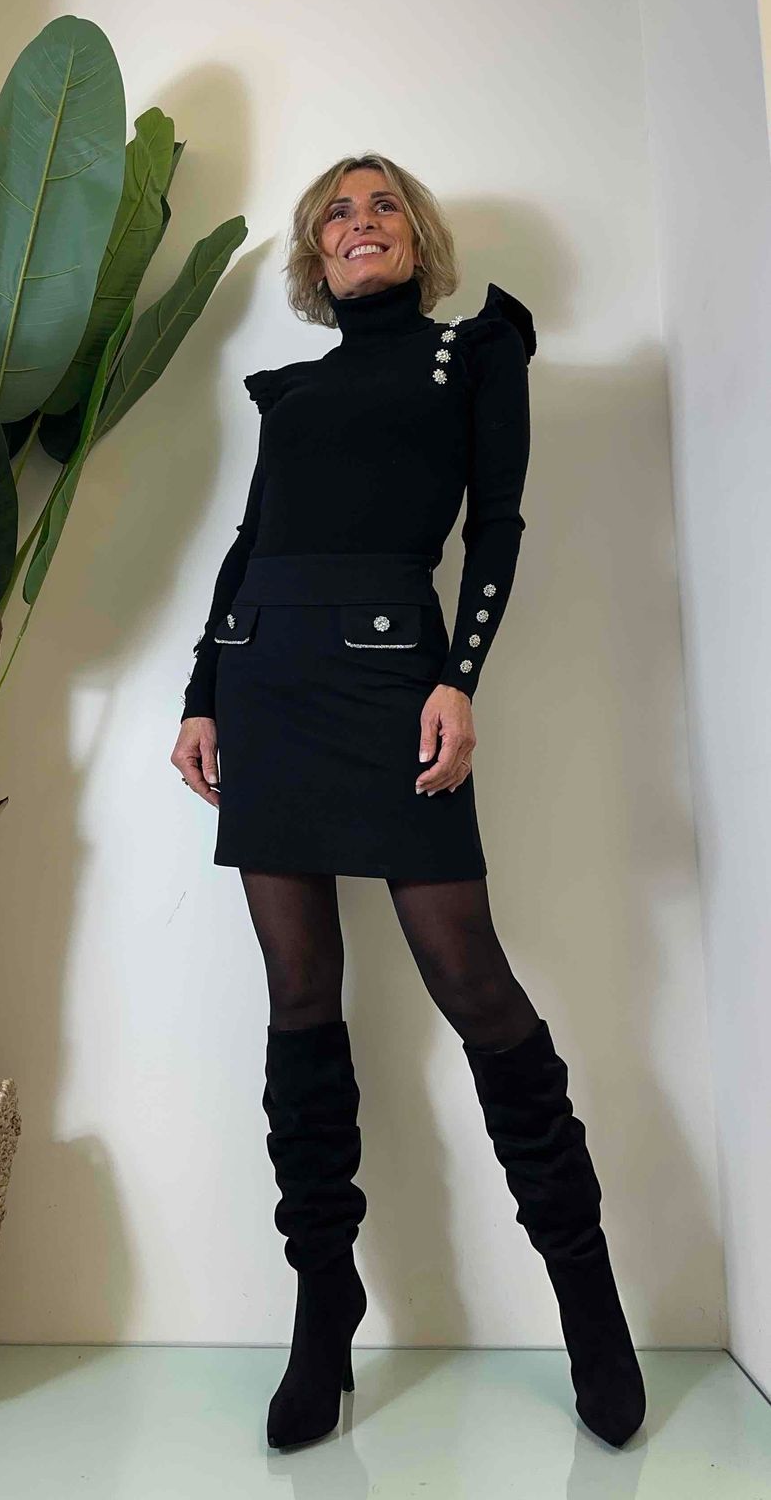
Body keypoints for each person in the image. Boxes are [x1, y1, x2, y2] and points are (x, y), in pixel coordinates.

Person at [170, 154, 646, 1453]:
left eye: (381, 204)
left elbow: (495, 527)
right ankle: (323, 1303)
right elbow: (247, 545)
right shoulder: (292, 391)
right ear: (314, 254)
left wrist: (458, 679)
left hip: (391, 682)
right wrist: (202, 692)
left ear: (418, 238)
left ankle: (588, 1300)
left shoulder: (471, 356)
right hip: (267, 682)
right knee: (299, 1001)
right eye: (336, 210)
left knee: (474, 986)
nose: (359, 222)